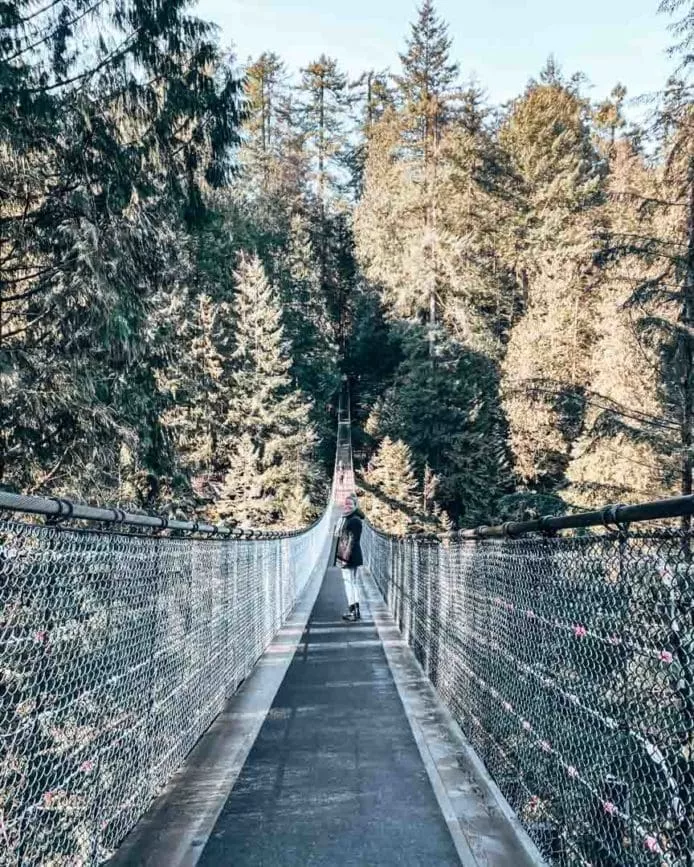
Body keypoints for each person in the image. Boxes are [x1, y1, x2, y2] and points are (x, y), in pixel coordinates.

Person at [336, 494, 364, 622]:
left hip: (350, 556)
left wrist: (344, 559)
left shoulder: (354, 520)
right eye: (345, 504)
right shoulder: (350, 518)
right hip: (351, 555)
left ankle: (353, 612)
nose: (347, 506)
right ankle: (355, 611)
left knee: (350, 584)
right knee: (352, 583)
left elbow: (351, 541)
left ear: (355, 506)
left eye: (350, 504)